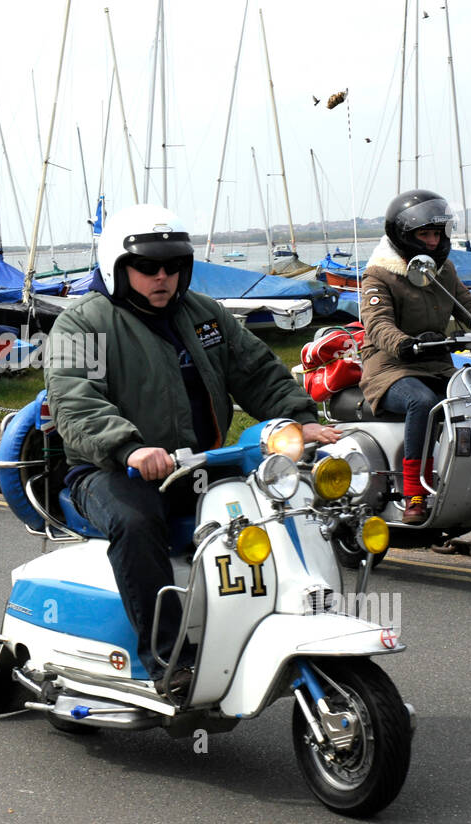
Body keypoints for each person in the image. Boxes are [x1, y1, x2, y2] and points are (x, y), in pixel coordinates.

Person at [44, 203, 340, 696]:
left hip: (202, 463)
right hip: (110, 470)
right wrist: (130, 448)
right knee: (137, 524)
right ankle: (169, 659)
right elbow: (76, 401)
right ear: (117, 267)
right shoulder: (82, 325)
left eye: (174, 265)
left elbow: (257, 372)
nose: (163, 276)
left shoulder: (204, 314)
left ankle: (285, 621)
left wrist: (301, 421)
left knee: (283, 502)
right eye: (147, 267)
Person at [359, 189, 471, 524]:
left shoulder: (443, 271)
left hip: (435, 364)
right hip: (391, 368)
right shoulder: (379, 275)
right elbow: (377, 325)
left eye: (437, 233)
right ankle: (413, 493)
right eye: (425, 233)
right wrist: (405, 343)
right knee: (421, 402)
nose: (433, 240)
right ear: (405, 236)